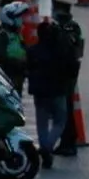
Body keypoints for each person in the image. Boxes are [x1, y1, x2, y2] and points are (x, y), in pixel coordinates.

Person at [26, 20, 70, 169]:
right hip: (58, 91)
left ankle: (45, 146)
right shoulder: (61, 53)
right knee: (60, 121)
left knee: (42, 123)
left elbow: (28, 68)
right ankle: (48, 146)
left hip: (40, 92)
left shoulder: (33, 51)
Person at [52, 0, 85, 157]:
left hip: (66, 72)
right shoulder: (71, 27)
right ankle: (67, 141)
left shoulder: (68, 28)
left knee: (65, 108)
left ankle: (68, 142)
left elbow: (69, 51)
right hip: (68, 70)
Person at [0, 1, 28, 94]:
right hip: (7, 76)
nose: (21, 19)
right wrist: (19, 63)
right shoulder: (2, 34)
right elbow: (1, 56)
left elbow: (23, 49)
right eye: (18, 17)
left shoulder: (16, 33)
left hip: (18, 75)